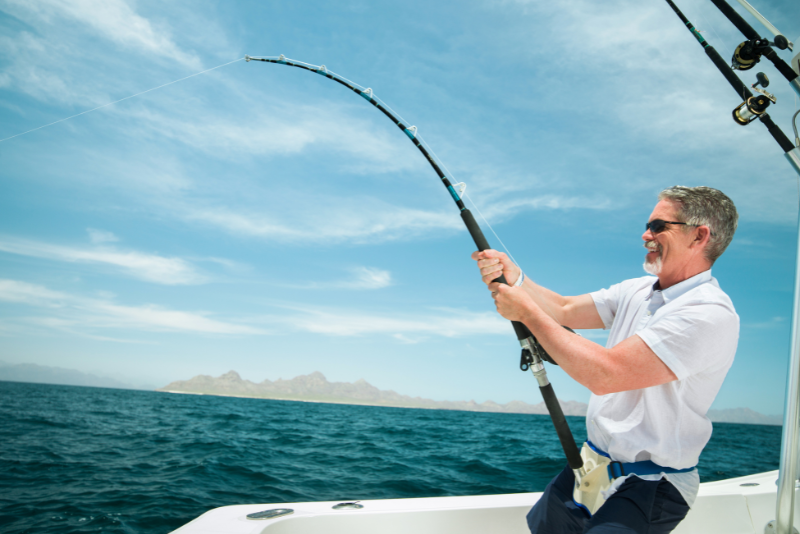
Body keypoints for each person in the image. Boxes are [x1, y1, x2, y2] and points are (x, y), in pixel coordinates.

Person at [472, 186, 739, 534]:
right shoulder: (635, 290)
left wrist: (528, 314)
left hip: (652, 483)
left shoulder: (707, 313)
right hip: (588, 467)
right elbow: (565, 308)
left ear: (699, 235)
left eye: (659, 226)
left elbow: (607, 374)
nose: (646, 235)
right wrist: (516, 278)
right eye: (647, 225)